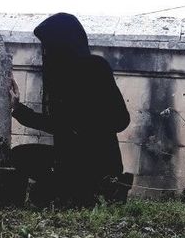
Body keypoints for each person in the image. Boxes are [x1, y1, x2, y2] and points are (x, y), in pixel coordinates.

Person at [10, 12, 132, 206]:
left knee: (51, 194)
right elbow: (57, 124)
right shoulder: (61, 76)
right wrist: (16, 107)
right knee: (19, 156)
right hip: (68, 160)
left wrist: (83, 126)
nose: (46, 52)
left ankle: (101, 190)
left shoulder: (95, 68)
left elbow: (121, 120)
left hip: (99, 164)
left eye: (50, 45)